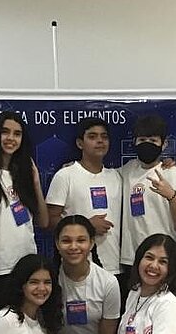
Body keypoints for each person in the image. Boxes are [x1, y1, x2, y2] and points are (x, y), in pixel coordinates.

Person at [0, 111, 48, 308]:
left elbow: (43, 222)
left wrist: (35, 182)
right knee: (4, 322)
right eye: (5, 132)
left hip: (29, 264)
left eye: (17, 134)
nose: (11, 138)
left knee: (29, 322)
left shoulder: (24, 175)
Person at [118, 115, 176, 294]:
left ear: (164, 144)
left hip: (164, 258)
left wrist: (171, 196)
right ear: (134, 142)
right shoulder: (127, 170)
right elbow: (100, 174)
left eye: (153, 140)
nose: (147, 144)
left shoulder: (172, 173)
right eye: (142, 140)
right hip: (132, 258)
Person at [46, 117, 123, 276]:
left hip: (114, 266)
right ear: (80, 143)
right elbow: (50, 219)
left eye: (104, 137)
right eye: (92, 136)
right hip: (76, 267)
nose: (100, 141)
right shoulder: (65, 175)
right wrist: (86, 226)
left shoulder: (117, 176)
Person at [52, 215, 121, 334]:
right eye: (66, 241)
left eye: (81, 240)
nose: (73, 247)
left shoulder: (108, 282)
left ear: (91, 243)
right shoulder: (48, 281)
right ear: (57, 244)